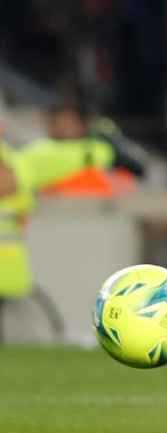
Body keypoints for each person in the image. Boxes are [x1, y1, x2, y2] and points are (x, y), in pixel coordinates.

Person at [1, 121, 142, 300]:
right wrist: (103, 151)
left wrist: (102, 152)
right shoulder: (22, 165)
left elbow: (42, 162)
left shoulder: (20, 161)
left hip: (11, 283)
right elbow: (28, 168)